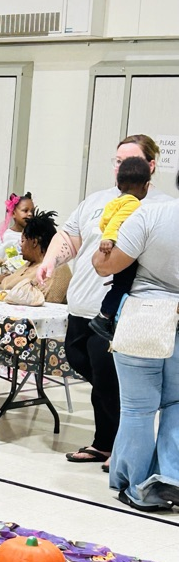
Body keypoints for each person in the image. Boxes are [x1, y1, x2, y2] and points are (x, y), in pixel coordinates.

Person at [37, 134, 172, 470]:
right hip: (81, 307)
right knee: (84, 364)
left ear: (150, 165)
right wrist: (51, 261)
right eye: (117, 161)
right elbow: (70, 236)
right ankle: (112, 442)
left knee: (108, 377)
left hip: (118, 313)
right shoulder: (98, 200)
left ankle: (113, 446)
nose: (120, 167)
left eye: (129, 161)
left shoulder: (159, 207)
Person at [92, 184, 179, 512]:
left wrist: (101, 250)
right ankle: (171, 478)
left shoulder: (151, 215)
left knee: (137, 409)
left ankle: (133, 485)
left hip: (144, 315)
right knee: (177, 405)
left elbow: (106, 265)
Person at [89, 156, 151, 341]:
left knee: (118, 286)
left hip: (116, 249)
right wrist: (109, 238)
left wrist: (107, 234)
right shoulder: (134, 204)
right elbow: (115, 222)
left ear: (118, 184)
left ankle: (106, 316)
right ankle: (104, 317)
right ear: (146, 186)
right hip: (125, 252)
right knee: (123, 287)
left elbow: (104, 223)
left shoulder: (114, 202)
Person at [0, 209, 70, 305]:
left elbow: (39, 301)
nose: (20, 245)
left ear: (34, 242)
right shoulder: (30, 263)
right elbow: (6, 285)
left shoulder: (55, 268)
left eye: (22, 241)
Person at [0, 192, 34, 277]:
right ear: (13, 213)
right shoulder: (7, 236)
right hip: (11, 281)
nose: (30, 214)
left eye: (32, 211)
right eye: (25, 211)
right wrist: (7, 261)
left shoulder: (35, 235)